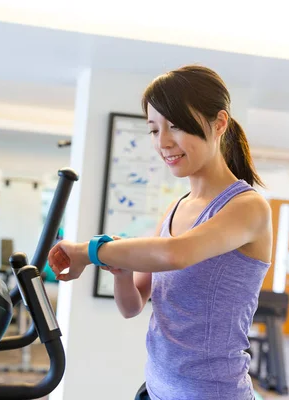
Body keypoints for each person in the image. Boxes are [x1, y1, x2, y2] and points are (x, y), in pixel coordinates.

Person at [47, 65, 272, 400]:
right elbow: (133, 304)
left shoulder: (247, 207)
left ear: (219, 123)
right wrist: (121, 273)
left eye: (176, 125)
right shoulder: (175, 209)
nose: (163, 142)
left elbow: (174, 255)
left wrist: (88, 251)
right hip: (157, 387)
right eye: (154, 130)